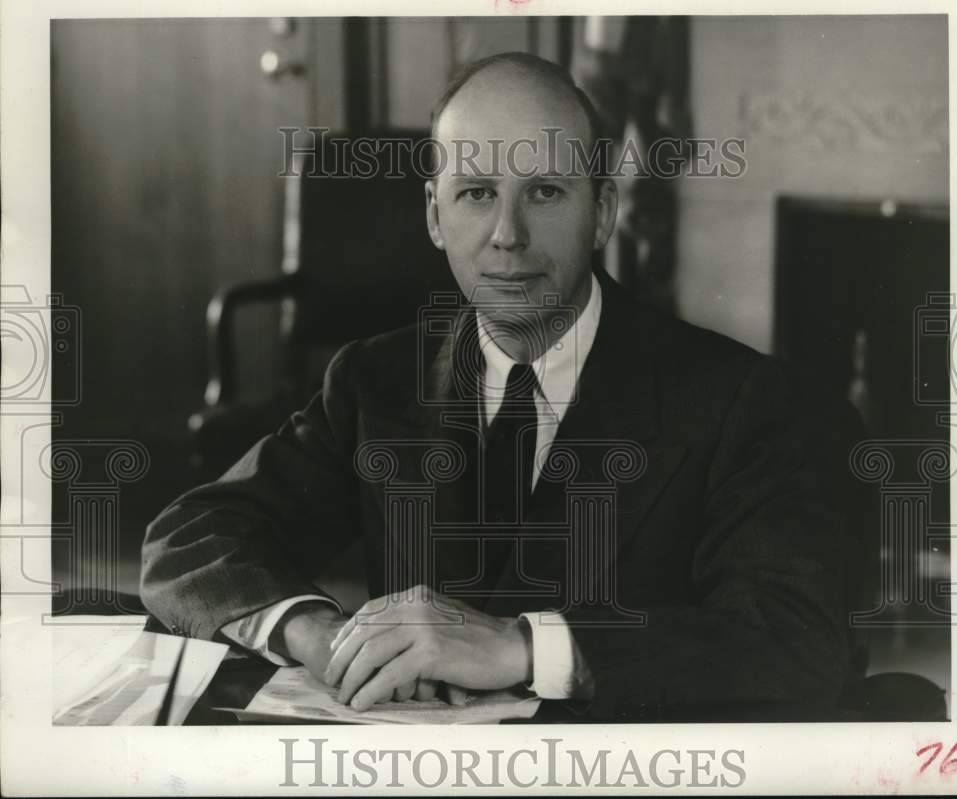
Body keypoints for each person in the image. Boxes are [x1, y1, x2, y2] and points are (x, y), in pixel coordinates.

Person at [140, 52, 853, 720]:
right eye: (477, 193)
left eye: (545, 191)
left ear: (602, 211)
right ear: (434, 217)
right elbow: (190, 540)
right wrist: (317, 631)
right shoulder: (374, 381)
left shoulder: (742, 398)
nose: (507, 233)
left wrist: (525, 646)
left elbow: (802, 642)